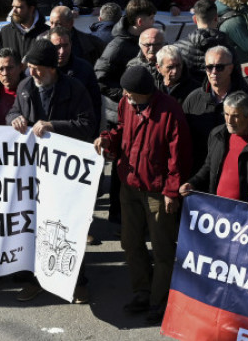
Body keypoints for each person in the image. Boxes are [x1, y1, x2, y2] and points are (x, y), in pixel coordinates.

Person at [95, 65, 191, 324]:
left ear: (143, 93)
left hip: (158, 192)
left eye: (129, 93)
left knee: (162, 249)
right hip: (130, 185)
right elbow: (122, 131)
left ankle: (159, 301)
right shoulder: (128, 105)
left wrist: (172, 192)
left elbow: (178, 157)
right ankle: (142, 291)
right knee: (130, 241)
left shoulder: (170, 110)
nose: (124, 97)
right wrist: (107, 139)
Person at [6, 40, 96, 303]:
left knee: (67, 228)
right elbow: (12, 111)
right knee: (36, 228)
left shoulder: (74, 88)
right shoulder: (24, 87)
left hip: (65, 174)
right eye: (30, 67)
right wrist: (15, 119)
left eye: (37, 69)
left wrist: (53, 126)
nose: (32, 73)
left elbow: (87, 125)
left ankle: (77, 281)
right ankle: (37, 280)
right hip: (35, 173)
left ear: (52, 69)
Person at [180, 91, 248, 208]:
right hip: (217, 212)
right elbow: (208, 167)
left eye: (235, 116)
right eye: (226, 114)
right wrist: (192, 183)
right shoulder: (216, 135)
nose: (229, 121)